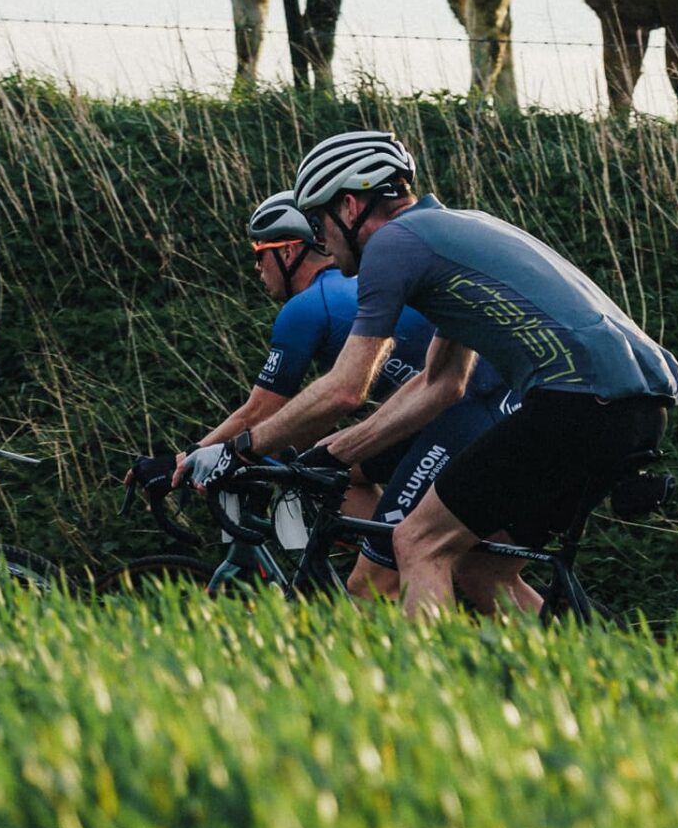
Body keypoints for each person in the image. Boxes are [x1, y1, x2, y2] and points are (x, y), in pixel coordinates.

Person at [207, 130, 678, 618]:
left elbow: (345, 389)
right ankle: (577, 680)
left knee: (417, 542)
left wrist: (239, 450)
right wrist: (333, 453)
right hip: (633, 409)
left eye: (317, 219)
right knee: (481, 569)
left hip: (576, 402)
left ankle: (430, 691)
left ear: (349, 206)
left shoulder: (394, 244)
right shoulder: (448, 231)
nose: (319, 239)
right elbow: (442, 385)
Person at [181, 190, 503, 599]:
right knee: (333, 472)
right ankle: (399, 562)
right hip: (454, 406)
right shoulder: (343, 289)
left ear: (291, 250)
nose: (256, 267)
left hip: (461, 409)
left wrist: (190, 456)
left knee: (370, 585)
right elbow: (302, 422)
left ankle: (400, 585)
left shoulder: (307, 308)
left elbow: (259, 412)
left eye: (259, 252)